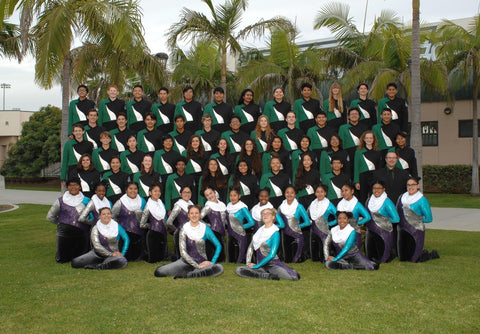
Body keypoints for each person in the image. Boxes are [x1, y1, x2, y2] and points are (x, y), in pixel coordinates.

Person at [154, 205, 224, 279]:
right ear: (188, 215)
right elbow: (183, 252)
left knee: (219, 268)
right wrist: (197, 266)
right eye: (192, 213)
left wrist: (212, 262)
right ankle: (193, 272)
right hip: (185, 262)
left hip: (202, 263)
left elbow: (218, 245)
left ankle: (187, 275)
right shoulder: (184, 229)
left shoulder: (205, 228)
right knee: (159, 272)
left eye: (196, 213)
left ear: (199, 215)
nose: (194, 215)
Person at [236, 208, 300, 281]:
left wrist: (257, 266)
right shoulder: (259, 231)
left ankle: (286, 270)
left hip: (273, 264)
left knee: (294, 277)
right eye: (263, 214)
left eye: (268, 213)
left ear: (273, 217)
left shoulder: (275, 232)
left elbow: (272, 255)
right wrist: (249, 264)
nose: (265, 215)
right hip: (261, 265)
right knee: (239, 269)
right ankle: (266, 275)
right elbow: (250, 248)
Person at [46, 178, 91, 263]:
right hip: (65, 234)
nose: (73, 187)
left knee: (81, 258)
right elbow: (50, 216)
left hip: (82, 233)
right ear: (67, 187)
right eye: (70, 185)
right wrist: (62, 224)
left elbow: (92, 217)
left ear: (80, 187)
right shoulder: (61, 200)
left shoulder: (87, 200)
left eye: (76, 185)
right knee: (62, 259)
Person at [397, 177, 438, 262]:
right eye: (408, 185)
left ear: (418, 186)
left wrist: (417, 221)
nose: (410, 187)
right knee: (402, 258)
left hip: (416, 230)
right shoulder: (402, 197)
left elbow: (429, 218)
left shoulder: (422, 200)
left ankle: (428, 255)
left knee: (414, 259)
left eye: (413, 185)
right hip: (403, 231)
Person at [365, 180, 400, 263]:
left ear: (383, 189)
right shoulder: (369, 200)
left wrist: (384, 221)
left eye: (379, 188)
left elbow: (396, 219)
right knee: (369, 256)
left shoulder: (387, 202)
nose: (376, 190)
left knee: (382, 257)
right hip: (370, 231)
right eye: (374, 188)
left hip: (384, 232)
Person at [112, 182, 146, 261]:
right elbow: (113, 217)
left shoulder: (142, 201)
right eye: (130, 189)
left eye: (135, 189)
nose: (133, 191)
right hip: (125, 235)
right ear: (126, 190)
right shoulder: (120, 202)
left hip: (139, 235)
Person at [277, 186, 311, 263]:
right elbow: (277, 219)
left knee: (296, 259)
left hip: (297, 235)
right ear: (284, 194)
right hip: (285, 236)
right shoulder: (281, 207)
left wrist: (297, 227)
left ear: (295, 195)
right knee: (287, 260)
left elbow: (307, 222)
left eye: (292, 193)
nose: (289, 194)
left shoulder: (299, 207)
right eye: (287, 192)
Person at [140, 183, 169, 263]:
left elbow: (164, 219)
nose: (157, 193)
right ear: (150, 193)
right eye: (155, 191)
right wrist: (150, 225)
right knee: (154, 259)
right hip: (153, 235)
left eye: (159, 191)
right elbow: (142, 224)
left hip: (163, 234)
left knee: (163, 258)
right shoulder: (148, 206)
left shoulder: (161, 204)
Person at [336, 183, 371, 249]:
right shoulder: (340, 204)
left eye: (346, 190)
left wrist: (357, 223)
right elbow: (337, 219)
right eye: (342, 191)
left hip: (354, 232)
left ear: (352, 191)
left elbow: (368, 217)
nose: (344, 193)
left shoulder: (357, 205)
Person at [225, 188, 255, 263]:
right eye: (231, 195)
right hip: (230, 234)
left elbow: (252, 222)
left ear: (239, 196)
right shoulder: (228, 206)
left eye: (235, 195)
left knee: (240, 258)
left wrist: (242, 227)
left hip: (240, 234)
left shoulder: (242, 207)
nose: (232, 197)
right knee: (231, 258)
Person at [308, 185, 337, 262]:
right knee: (314, 256)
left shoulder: (329, 204)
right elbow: (307, 215)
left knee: (324, 252)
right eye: (317, 192)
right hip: (313, 231)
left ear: (325, 193)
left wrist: (329, 224)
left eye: (322, 192)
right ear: (315, 193)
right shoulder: (312, 204)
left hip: (323, 231)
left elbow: (338, 217)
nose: (319, 194)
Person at [353, 131, 383, 204]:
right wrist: (357, 181)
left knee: (375, 196)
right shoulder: (358, 151)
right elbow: (356, 167)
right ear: (363, 139)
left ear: (374, 139)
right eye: (367, 138)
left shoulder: (378, 151)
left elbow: (379, 167)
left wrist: (379, 179)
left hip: (374, 176)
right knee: (363, 196)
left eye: (370, 138)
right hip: (363, 176)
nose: (369, 140)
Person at [200, 187, 228, 262]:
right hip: (212, 232)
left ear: (214, 192)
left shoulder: (222, 205)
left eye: (210, 193)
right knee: (214, 252)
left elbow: (224, 219)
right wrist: (207, 225)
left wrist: (227, 227)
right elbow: (198, 218)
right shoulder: (208, 206)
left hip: (221, 232)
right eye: (207, 195)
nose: (209, 196)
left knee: (221, 253)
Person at [166, 185, 194, 258]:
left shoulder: (192, 204)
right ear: (180, 194)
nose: (187, 194)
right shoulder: (178, 206)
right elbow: (169, 222)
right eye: (185, 192)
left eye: (189, 192)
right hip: (182, 234)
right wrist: (177, 230)